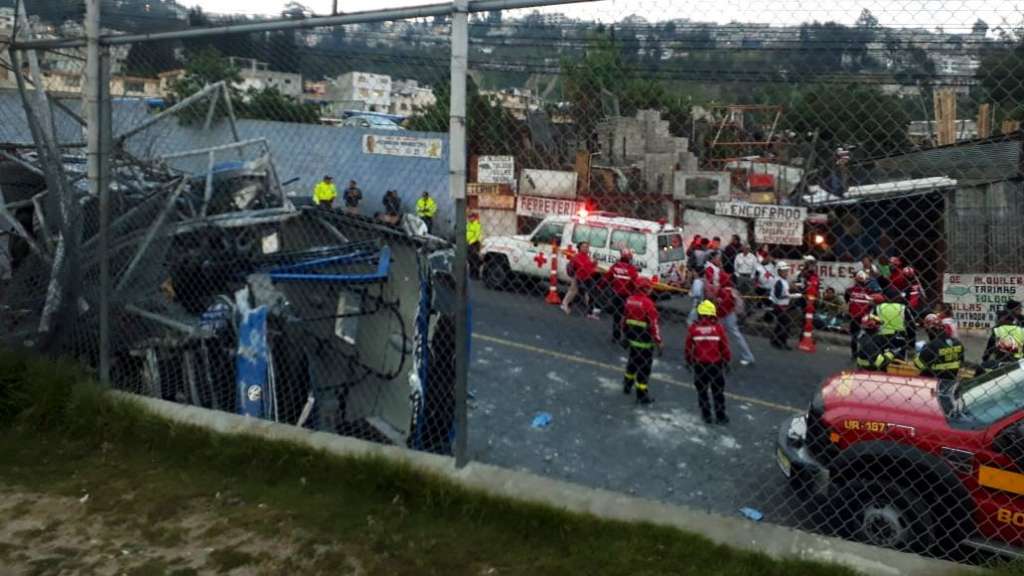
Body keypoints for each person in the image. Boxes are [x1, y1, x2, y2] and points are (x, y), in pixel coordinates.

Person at [685, 299, 732, 424]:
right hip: (715, 365)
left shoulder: (694, 328)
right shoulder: (718, 328)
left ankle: (706, 415)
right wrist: (727, 361)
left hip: (700, 365)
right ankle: (720, 416)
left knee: (702, 391)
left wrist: (689, 360)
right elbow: (725, 347)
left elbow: (688, 347)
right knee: (718, 392)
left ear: (699, 314)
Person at [622, 278, 662, 405]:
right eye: (649, 288)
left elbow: (624, 319)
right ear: (645, 289)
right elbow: (654, 324)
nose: (651, 290)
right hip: (645, 342)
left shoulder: (629, 300)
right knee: (644, 369)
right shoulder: (648, 303)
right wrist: (658, 341)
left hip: (632, 339)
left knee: (632, 363)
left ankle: (627, 386)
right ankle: (642, 394)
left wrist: (625, 335)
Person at [714, 266, 755, 366]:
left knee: (719, 336)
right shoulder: (731, 290)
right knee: (735, 335)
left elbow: (723, 305)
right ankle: (747, 355)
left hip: (724, 316)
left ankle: (718, 355)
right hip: (729, 315)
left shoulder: (724, 291)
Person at [914, 314, 964, 380]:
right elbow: (961, 363)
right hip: (950, 379)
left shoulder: (932, 346)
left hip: (932, 380)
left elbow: (918, 365)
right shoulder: (958, 343)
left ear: (929, 330)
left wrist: (918, 353)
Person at [605, 248, 639, 345]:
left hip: (616, 295)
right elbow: (634, 282)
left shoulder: (615, 266)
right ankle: (627, 337)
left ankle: (616, 337)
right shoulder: (632, 269)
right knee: (628, 317)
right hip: (627, 296)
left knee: (616, 317)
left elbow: (608, 278)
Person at [875, 284, 915, 359]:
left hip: (881, 338)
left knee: (882, 360)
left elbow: (871, 322)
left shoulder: (878, 307)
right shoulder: (902, 308)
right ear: (897, 298)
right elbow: (911, 326)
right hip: (898, 338)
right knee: (899, 361)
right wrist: (911, 343)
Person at [562, 241, 598, 317]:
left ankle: (591, 308)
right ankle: (564, 303)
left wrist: (594, 263)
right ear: (580, 248)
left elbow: (589, 267)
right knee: (573, 291)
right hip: (578, 276)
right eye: (584, 247)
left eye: (587, 247)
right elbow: (580, 267)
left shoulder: (587, 257)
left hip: (586, 277)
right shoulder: (577, 257)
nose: (586, 248)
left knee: (587, 292)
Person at [845, 271, 875, 360]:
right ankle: (864, 354)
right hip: (865, 318)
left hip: (854, 317)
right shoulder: (870, 292)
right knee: (866, 336)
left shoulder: (850, 290)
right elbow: (872, 304)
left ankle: (854, 354)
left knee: (854, 336)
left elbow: (847, 300)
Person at [769, 261, 795, 350]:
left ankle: (775, 340)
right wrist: (791, 296)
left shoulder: (783, 280)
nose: (786, 272)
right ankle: (782, 342)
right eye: (784, 271)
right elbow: (778, 295)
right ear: (779, 271)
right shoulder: (778, 281)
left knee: (780, 324)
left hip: (783, 305)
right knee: (786, 324)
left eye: (787, 271)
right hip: (779, 306)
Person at [467, 213, 483, 279]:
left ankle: (476, 274)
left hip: (474, 244)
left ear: (474, 218)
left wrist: (471, 241)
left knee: (475, 260)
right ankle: (471, 273)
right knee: (470, 260)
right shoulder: (468, 224)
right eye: (469, 217)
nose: (469, 219)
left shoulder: (477, 224)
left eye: (471, 217)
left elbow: (477, 235)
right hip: (468, 243)